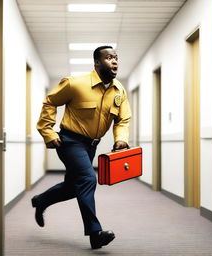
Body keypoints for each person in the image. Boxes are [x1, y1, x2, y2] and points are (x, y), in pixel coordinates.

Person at [32, 45, 131, 249]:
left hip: (91, 145)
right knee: (87, 179)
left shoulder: (119, 90)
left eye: (116, 58)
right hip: (69, 141)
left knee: (73, 186)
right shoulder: (75, 83)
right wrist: (48, 131)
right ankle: (95, 233)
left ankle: (41, 200)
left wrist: (121, 138)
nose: (114, 61)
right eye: (109, 58)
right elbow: (50, 102)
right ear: (96, 62)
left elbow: (123, 119)